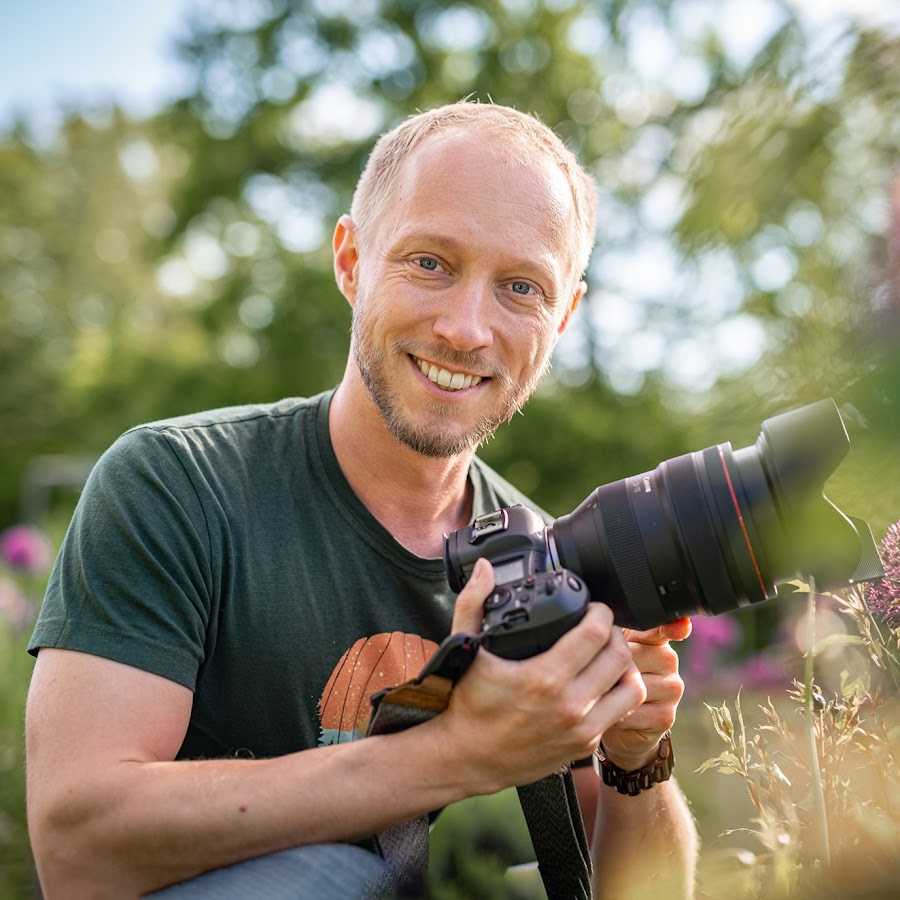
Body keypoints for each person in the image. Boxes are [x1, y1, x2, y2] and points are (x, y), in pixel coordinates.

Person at [25, 100, 698, 899]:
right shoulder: (175, 484)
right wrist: (452, 756)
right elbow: (76, 846)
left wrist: (636, 755)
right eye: (430, 263)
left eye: (521, 286)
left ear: (563, 318)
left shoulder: (549, 564)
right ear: (350, 262)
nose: (465, 328)